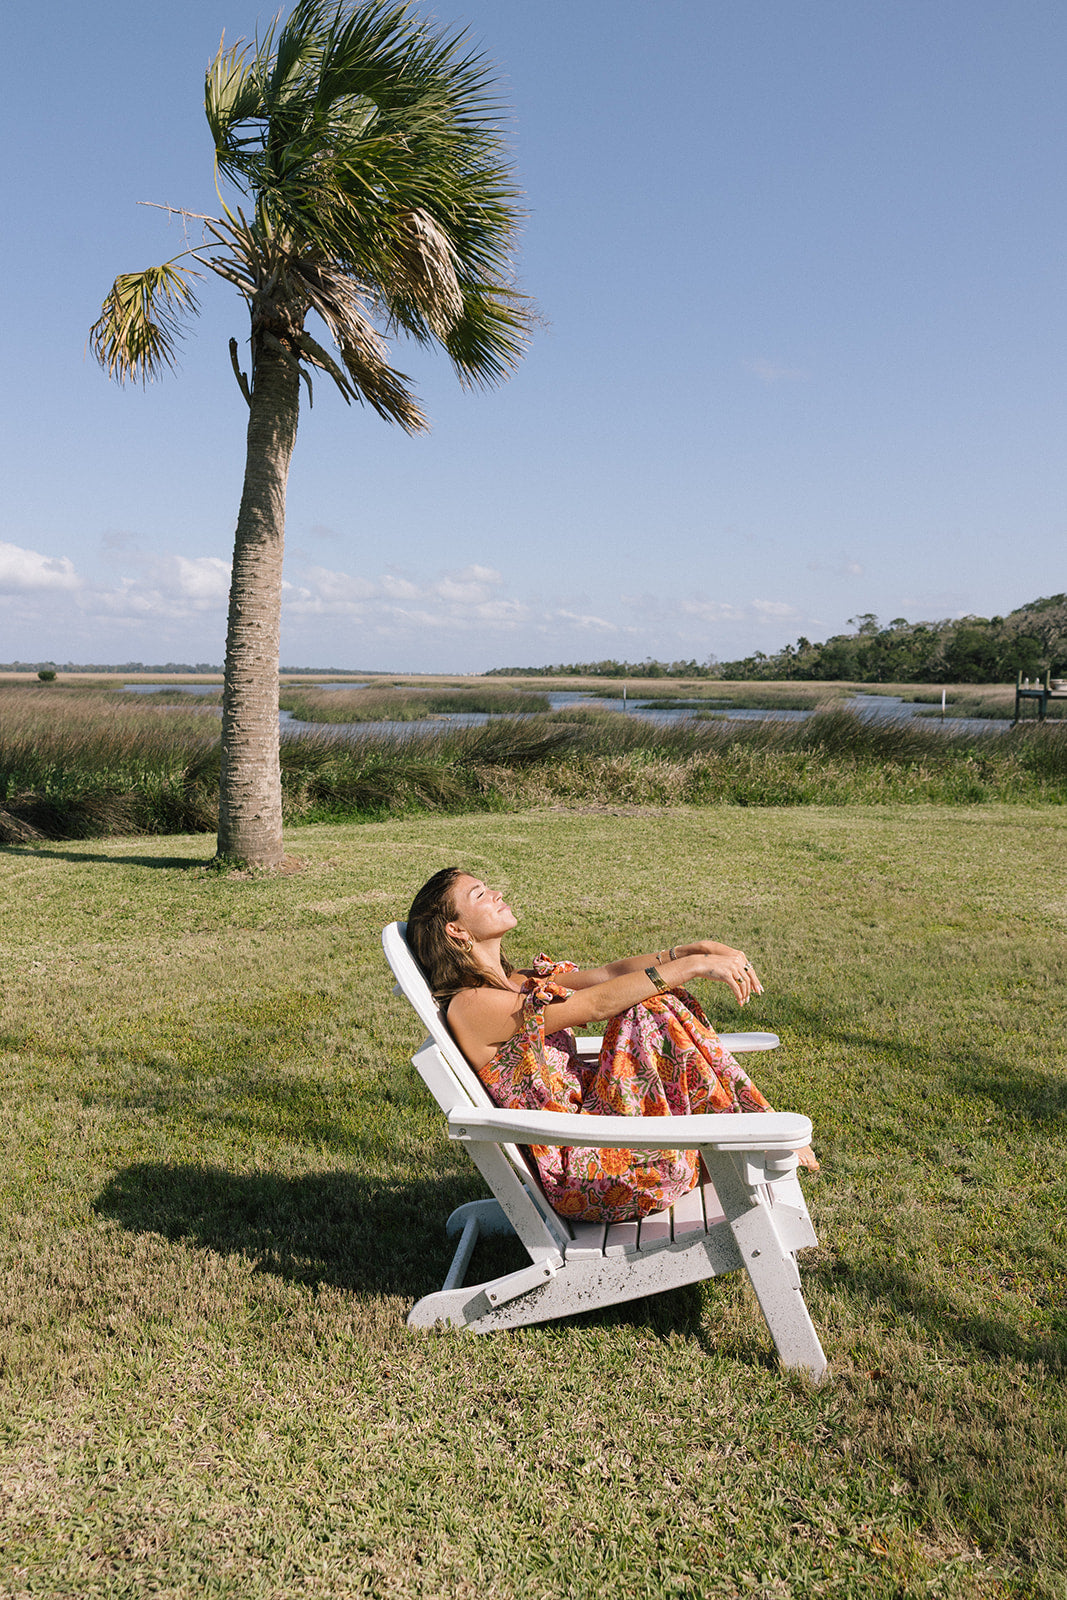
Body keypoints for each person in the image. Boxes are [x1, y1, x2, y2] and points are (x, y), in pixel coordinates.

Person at [406, 867, 818, 1225]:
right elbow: (599, 1003)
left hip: (605, 1134)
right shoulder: (473, 1005)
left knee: (650, 1002)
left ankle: (746, 1127)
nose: (496, 893)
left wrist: (692, 949)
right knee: (645, 1008)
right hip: (592, 1171)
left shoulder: (516, 984)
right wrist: (691, 968)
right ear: (456, 930)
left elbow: (606, 975)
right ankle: (750, 1128)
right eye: (479, 894)